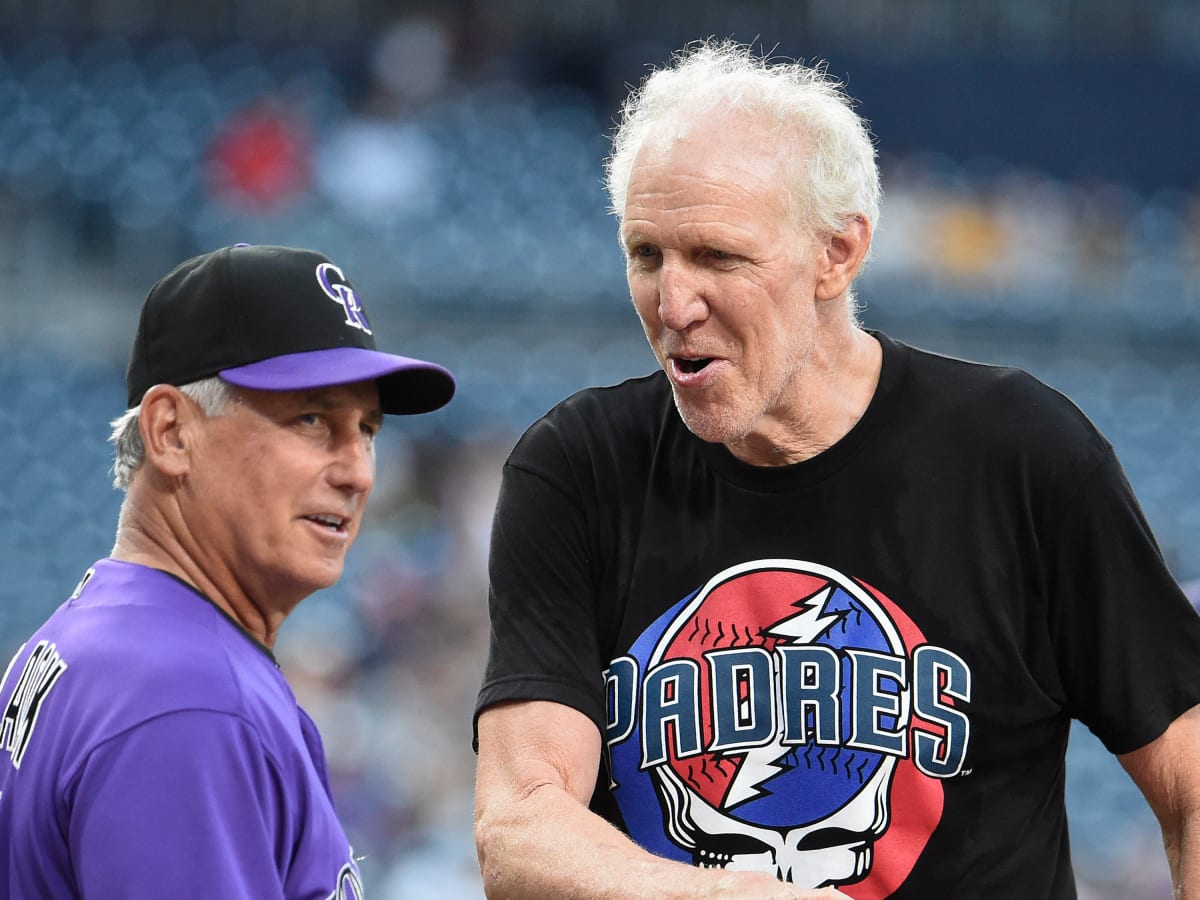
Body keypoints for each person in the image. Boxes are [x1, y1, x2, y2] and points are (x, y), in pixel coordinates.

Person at [472, 39, 1200, 898]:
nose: (672, 304)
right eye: (646, 255)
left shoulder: (1022, 455)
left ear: (837, 254)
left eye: (717, 256)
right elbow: (519, 827)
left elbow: (1190, 781)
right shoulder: (578, 467)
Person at [0, 243, 455, 898]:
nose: (357, 470)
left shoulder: (114, 635)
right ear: (171, 433)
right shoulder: (187, 698)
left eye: (367, 430)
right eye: (311, 419)